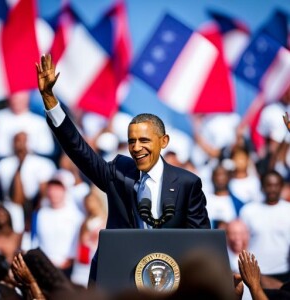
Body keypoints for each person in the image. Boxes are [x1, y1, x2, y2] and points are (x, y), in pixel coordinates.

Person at [35, 53, 211, 284]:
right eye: (131, 141)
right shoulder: (119, 173)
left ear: (164, 142)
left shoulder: (187, 184)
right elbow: (79, 149)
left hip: (168, 280)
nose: (136, 147)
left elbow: (202, 242)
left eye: (144, 141)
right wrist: (50, 99)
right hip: (120, 276)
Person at [239, 170, 290, 283]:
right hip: (256, 274)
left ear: (281, 187)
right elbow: (241, 242)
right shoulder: (248, 211)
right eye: (269, 185)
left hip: (285, 273)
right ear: (262, 187)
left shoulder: (288, 209)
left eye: (276, 185)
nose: (272, 189)